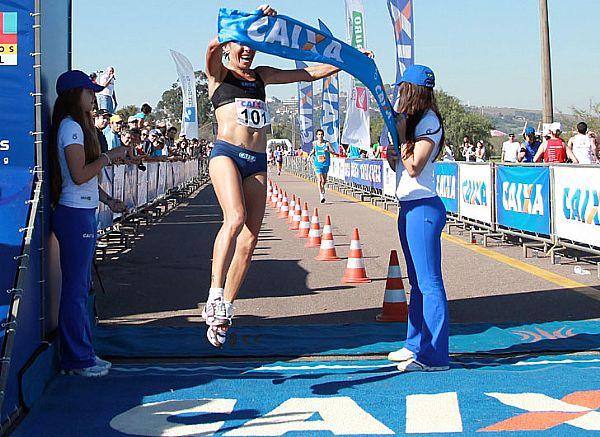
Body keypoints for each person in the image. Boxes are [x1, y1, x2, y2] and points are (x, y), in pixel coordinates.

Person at [202, 4, 364, 347]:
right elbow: (212, 49)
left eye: (252, 43)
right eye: (241, 43)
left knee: (249, 239)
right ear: (232, 44)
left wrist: (348, 63)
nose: (247, 49)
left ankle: (225, 309)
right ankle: (214, 294)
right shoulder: (219, 74)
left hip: (256, 161)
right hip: (226, 155)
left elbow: (307, 75)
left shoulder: (260, 76)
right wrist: (249, 23)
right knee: (235, 219)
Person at [48, 70, 127, 377]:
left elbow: (83, 179)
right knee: (75, 290)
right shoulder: (71, 128)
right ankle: (77, 359)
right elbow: (80, 174)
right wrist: (110, 156)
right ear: (74, 95)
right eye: (89, 91)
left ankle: (82, 353)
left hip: (82, 212)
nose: (94, 96)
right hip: (74, 214)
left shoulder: (76, 127)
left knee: (79, 288)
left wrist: (107, 201)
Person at [385, 65, 449, 373]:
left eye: (401, 90)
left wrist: (400, 139)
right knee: (416, 282)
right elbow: (398, 162)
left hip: (424, 207)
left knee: (429, 282)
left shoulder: (429, 121)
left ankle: (434, 355)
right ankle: (414, 343)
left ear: (412, 91)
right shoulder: (413, 122)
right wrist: (392, 150)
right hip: (409, 206)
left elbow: (414, 167)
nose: (398, 95)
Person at [308, 128, 338, 203]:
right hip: (317, 164)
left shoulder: (327, 143)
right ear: (316, 136)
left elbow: (333, 152)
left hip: (325, 163)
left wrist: (328, 150)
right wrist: (309, 156)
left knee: (324, 180)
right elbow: (314, 150)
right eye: (319, 134)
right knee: (320, 180)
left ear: (323, 135)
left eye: (321, 134)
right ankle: (321, 195)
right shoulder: (314, 143)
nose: (320, 136)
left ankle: (323, 187)